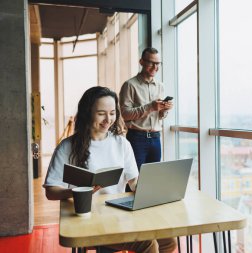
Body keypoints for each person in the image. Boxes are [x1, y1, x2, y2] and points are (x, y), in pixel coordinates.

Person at [43, 86, 176, 253]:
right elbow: (50, 191)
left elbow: (134, 182)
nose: (108, 119)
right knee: (148, 244)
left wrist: (151, 190)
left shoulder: (122, 144)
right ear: (87, 113)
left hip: (119, 214)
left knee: (169, 241)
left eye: (112, 113)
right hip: (87, 218)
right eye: (101, 113)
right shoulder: (67, 146)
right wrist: (77, 192)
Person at [119, 47, 173, 171]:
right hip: (137, 138)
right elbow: (125, 114)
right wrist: (150, 107)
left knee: (152, 178)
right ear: (141, 62)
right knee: (134, 178)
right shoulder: (129, 85)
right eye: (151, 62)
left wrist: (164, 110)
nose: (155, 67)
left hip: (156, 138)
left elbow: (159, 115)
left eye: (158, 63)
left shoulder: (160, 86)